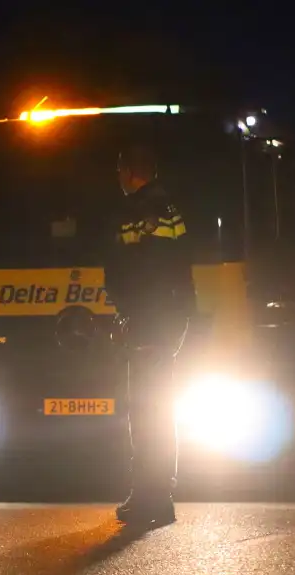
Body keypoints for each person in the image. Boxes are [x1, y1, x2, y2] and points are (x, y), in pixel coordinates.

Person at [104, 144, 196, 526]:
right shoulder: (164, 206)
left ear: (129, 171)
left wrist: (132, 314)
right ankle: (156, 496)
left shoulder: (145, 210)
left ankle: (151, 498)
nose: (118, 177)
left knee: (146, 412)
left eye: (119, 169)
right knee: (154, 410)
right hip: (158, 320)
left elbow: (145, 271)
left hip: (151, 322)